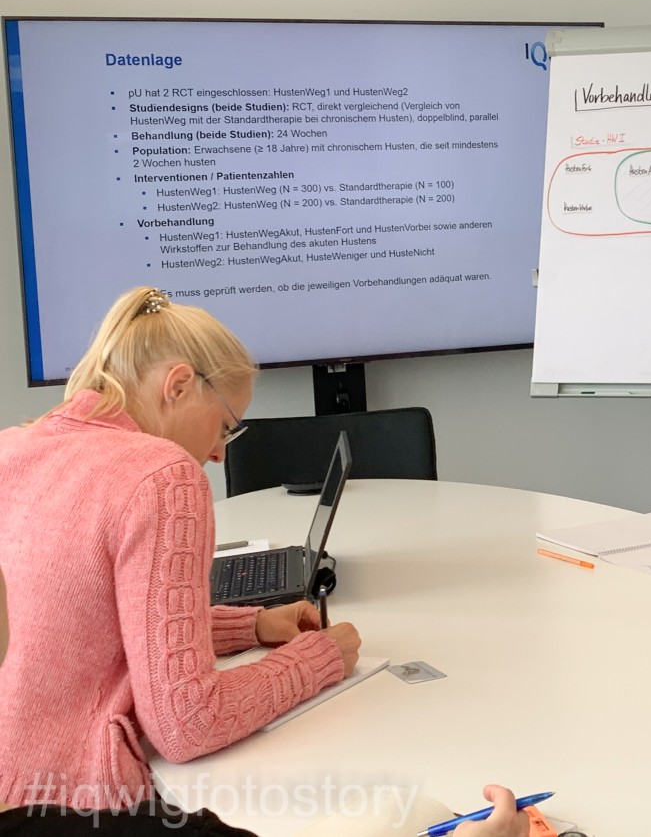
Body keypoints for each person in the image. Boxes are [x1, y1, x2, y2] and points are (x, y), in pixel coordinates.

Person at [0, 287, 527, 837]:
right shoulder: (160, 475)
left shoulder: (12, 448)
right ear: (178, 385)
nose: (221, 453)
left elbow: (85, 625)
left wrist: (250, 624)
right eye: (228, 425)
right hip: (83, 807)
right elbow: (188, 723)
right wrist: (318, 660)